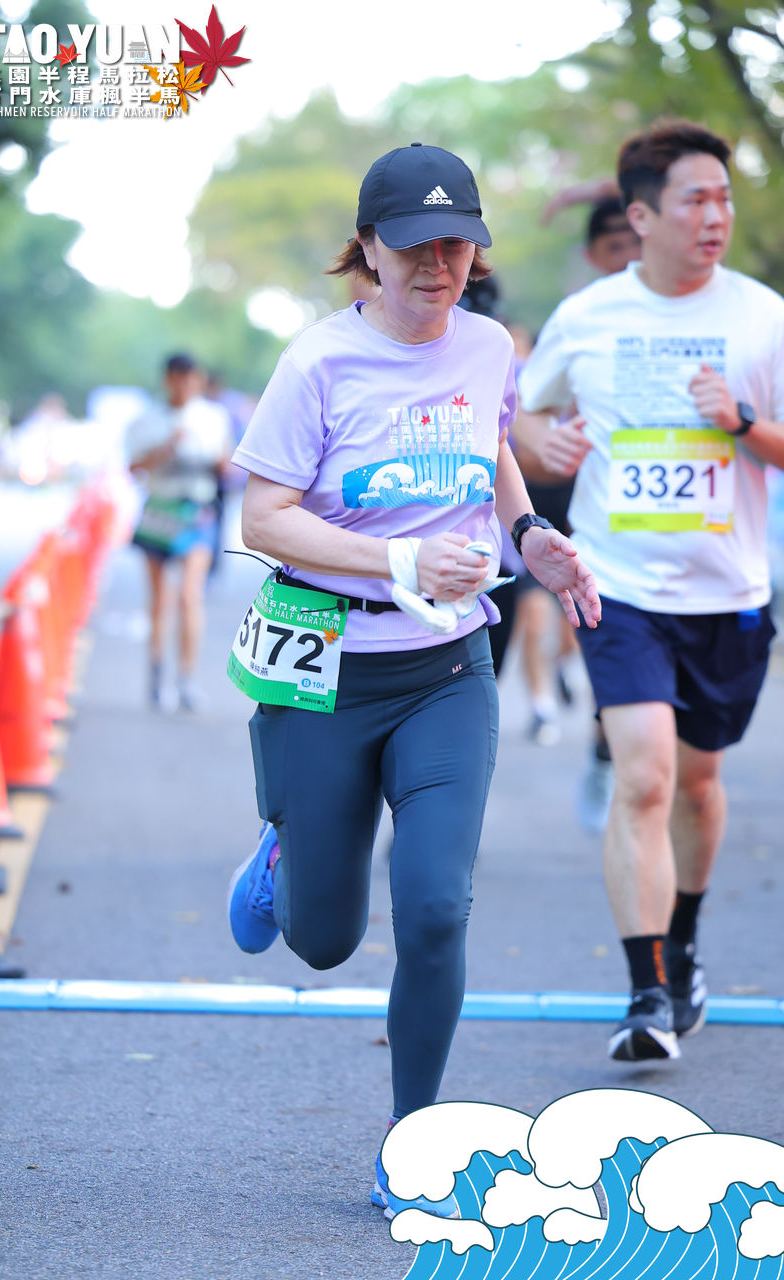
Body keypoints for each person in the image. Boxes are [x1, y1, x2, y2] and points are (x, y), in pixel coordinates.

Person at [225, 142, 600, 1218]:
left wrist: (528, 536)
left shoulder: (487, 345)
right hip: (329, 670)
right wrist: (396, 560)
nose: (438, 266)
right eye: (415, 247)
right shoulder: (316, 364)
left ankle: (411, 1149)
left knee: (435, 907)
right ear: (369, 251)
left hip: (447, 671)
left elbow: (492, 449)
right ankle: (287, 847)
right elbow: (262, 518)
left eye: (456, 245)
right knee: (323, 938)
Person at [518, 119, 784, 1063]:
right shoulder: (588, 315)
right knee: (644, 779)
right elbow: (520, 416)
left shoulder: (761, 317)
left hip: (728, 593)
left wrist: (742, 422)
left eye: (723, 198)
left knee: (698, 788)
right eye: (694, 199)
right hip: (619, 587)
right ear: (641, 216)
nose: (715, 216)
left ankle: (685, 948)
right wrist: (541, 443)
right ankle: (645, 994)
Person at [516, 196, 641, 801]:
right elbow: (516, 417)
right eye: (616, 247)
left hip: (623, 520)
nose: (629, 258)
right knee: (535, 607)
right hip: (538, 504)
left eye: (636, 244)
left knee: (581, 618)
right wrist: (543, 443)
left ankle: (597, 724)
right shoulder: (579, 324)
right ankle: (543, 704)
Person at [126, 354, 232, 711]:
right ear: (168, 379)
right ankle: (156, 674)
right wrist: (166, 448)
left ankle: (186, 678)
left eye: (192, 378)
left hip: (197, 511)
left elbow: (227, 464)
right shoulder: (148, 420)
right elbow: (133, 467)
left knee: (190, 595)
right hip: (160, 509)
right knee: (160, 599)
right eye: (179, 378)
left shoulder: (213, 417)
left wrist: (219, 461)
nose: (186, 385)